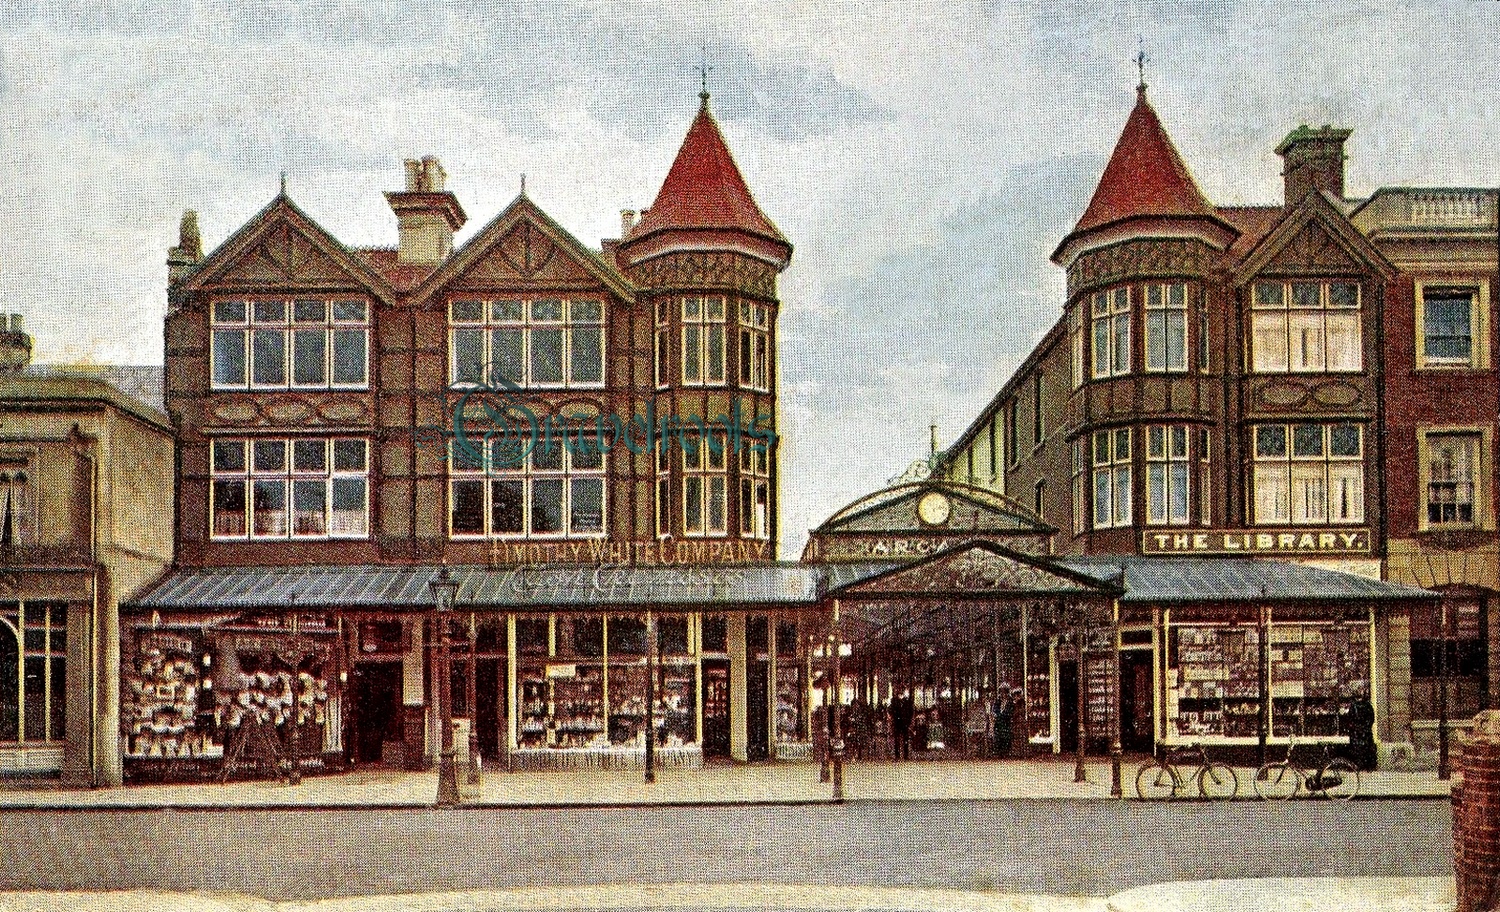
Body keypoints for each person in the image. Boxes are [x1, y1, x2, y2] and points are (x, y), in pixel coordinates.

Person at [1341, 682, 1377, 772]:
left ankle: (1359, 766)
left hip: (1358, 732)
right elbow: (1371, 718)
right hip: (1363, 731)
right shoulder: (1367, 705)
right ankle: (1366, 766)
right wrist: (1365, 727)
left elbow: (1350, 719)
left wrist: (1355, 727)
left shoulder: (1354, 706)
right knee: (1364, 748)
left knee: (1357, 749)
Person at [992, 687, 1015, 759]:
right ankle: (999, 752)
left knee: (1006, 736)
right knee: (998, 735)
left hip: (1006, 722)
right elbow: (994, 710)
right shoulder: (997, 702)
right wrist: (997, 715)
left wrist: (1001, 716)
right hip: (999, 722)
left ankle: (1006, 752)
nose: (1002, 694)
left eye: (1004, 693)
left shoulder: (1010, 702)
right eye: (1001, 693)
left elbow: (1010, 712)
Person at [890, 690, 913, 761]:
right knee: (897, 739)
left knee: (905, 739)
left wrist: (909, 721)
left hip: (904, 722)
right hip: (897, 722)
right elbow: (891, 711)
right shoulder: (894, 701)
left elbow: (910, 712)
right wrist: (893, 719)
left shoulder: (907, 701)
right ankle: (897, 755)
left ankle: (905, 755)